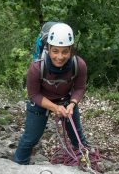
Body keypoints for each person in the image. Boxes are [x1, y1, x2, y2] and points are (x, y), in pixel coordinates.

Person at [14, 22, 88, 165]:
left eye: (65, 52)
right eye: (55, 51)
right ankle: (18, 166)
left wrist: (72, 104)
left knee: (77, 136)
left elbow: (79, 88)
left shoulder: (79, 65)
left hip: (66, 101)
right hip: (41, 101)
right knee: (30, 138)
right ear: (48, 49)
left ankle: (87, 162)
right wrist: (55, 108)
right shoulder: (37, 68)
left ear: (71, 50)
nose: (59, 57)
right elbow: (33, 95)